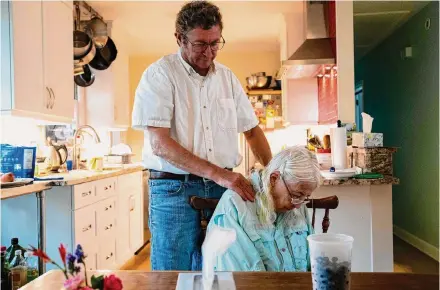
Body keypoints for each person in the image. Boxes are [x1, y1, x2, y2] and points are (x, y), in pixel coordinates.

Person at [131, 0, 272, 271]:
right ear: (179, 39)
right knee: (172, 276)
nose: (208, 52)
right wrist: (220, 174)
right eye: (199, 44)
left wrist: (274, 173)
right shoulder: (159, 75)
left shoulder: (228, 79)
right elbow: (160, 145)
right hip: (174, 190)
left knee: (221, 270)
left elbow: (252, 132)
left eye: (215, 43)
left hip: (223, 189)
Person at [208, 146, 322, 271]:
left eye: (305, 197)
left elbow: (312, 265)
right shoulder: (235, 203)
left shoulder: (296, 204)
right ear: (274, 179)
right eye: (296, 195)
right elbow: (241, 279)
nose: (298, 205)